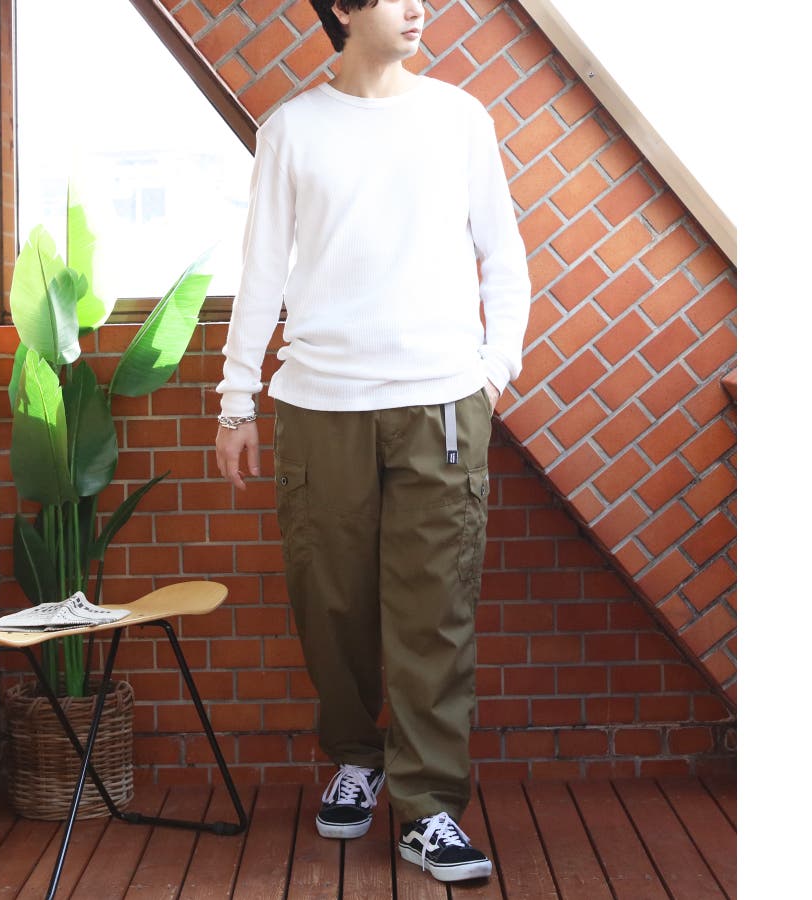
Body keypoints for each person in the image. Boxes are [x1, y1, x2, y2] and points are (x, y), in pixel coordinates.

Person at [215, 0, 531, 883]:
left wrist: (492, 372)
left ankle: (429, 808)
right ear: (346, 9)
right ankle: (356, 759)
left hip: (442, 406)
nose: (418, 8)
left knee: (436, 612)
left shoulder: (460, 119)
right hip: (320, 406)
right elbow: (261, 271)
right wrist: (236, 401)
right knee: (332, 602)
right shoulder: (292, 131)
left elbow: (505, 257)